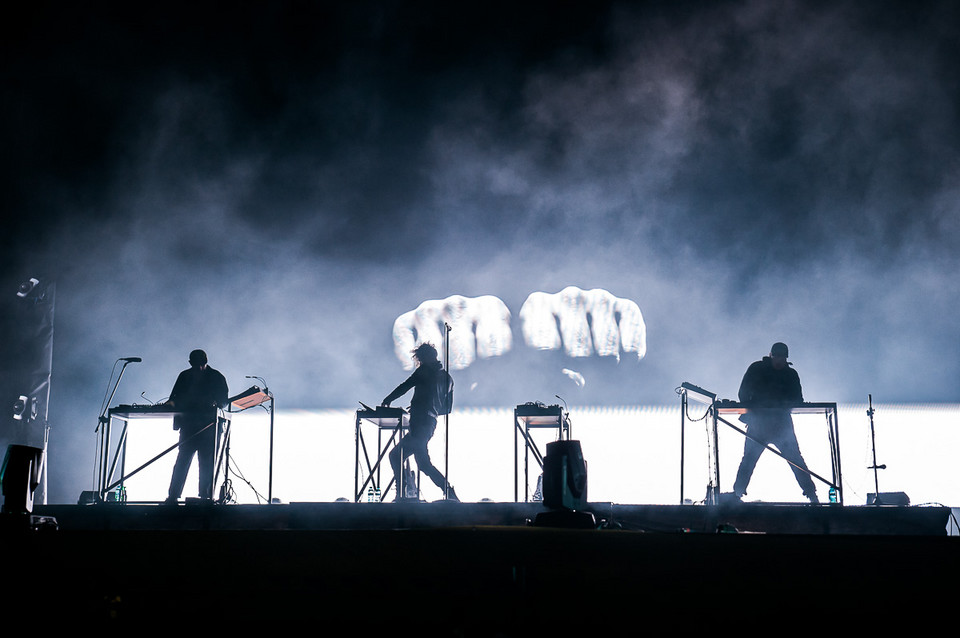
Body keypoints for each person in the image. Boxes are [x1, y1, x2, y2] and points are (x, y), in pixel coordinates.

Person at [732, 342, 818, 503]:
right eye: (777, 357)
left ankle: (812, 494)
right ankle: (737, 495)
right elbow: (743, 392)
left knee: (795, 460)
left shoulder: (791, 374)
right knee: (749, 459)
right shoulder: (756, 369)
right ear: (771, 355)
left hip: (781, 424)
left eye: (782, 358)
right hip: (759, 423)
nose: (779, 360)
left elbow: (798, 399)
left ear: (786, 358)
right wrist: (754, 409)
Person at [382, 342, 459, 502]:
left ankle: (401, 495)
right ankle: (449, 492)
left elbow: (405, 386)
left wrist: (388, 399)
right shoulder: (448, 378)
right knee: (420, 463)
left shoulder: (424, 371)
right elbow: (447, 409)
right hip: (430, 423)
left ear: (423, 357)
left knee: (398, 457)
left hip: (419, 422)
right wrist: (426, 406)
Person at [164, 349, 228, 503]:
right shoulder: (185, 376)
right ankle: (173, 496)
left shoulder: (216, 377)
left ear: (205, 362)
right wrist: (169, 405)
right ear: (190, 363)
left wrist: (215, 403)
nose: (198, 368)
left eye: (200, 365)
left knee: (206, 462)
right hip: (189, 425)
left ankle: (205, 496)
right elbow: (174, 397)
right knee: (182, 461)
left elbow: (224, 401)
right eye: (195, 365)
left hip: (210, 427)